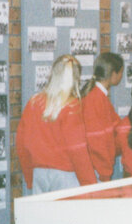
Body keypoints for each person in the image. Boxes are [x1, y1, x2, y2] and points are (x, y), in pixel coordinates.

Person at [16, 55, 96, 194]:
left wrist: (29, 177)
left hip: (39, 174)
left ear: (53, 73)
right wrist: (90, 186)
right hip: (65, 177)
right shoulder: (72, 106)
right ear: (76, 78)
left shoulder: (33, 103)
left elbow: (23, 144)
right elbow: (78, 151)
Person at [81, 52, 124, 181]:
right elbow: (97, 141)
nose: (122, 75)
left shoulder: (97, 96)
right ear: (113, 74)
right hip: (96, 170)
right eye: (121, 71)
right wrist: (105, 172)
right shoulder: (96, 99)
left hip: (95, 167)